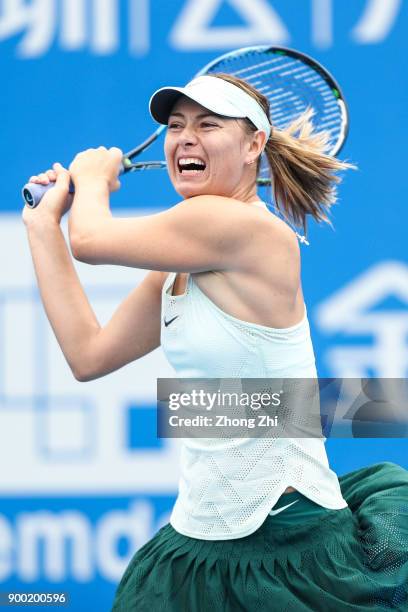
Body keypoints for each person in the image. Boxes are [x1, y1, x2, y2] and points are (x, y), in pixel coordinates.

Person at [23, 73, 408, 611]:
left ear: (254, 145)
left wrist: (90, 177)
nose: (185, 137)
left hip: (289, 549)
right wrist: (42, 230)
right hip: (196, 551)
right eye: (176, 125)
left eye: (208, 124)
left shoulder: (238, 225)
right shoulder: (175, 263)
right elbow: (89, 355)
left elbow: (89, 239)